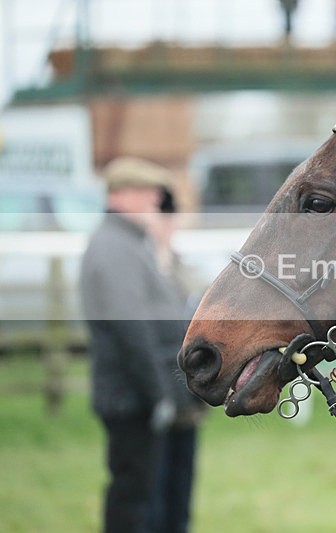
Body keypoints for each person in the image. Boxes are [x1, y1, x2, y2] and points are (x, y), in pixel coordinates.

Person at [80, 156, 187, 533]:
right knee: (133, 502)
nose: (156, 203)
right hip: (132, 398)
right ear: (121, 195)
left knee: (147, 498)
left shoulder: (127, 243)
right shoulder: (114, 248)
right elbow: (131, 330)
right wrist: (159, 394)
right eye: (148, 194)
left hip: (140, 394)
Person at [146, 188, 208, 533]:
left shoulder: (185, 270)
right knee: (152, 494)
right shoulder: (143, 270)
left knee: (179, 492)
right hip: (154, 393)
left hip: (187, 400)